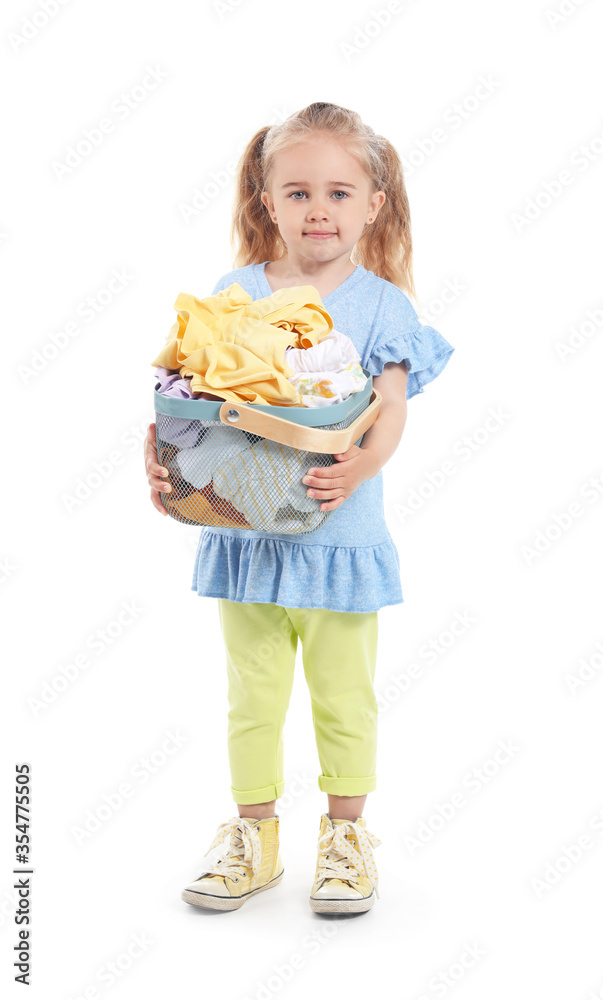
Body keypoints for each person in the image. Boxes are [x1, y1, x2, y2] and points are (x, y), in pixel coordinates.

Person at [144, 101, 455, 914]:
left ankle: (346, 838)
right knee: (251, 691)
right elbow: (192, 401)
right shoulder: (234, 293)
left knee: (342, 693)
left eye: (340, 193)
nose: (319, 208)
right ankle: (252, 837)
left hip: (339, 534)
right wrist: (161, 460)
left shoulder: (383, 305)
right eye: (298, 192)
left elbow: (390, 406)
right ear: (265, 200)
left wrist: (358, 471)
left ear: (373, 204)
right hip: (244, 533)